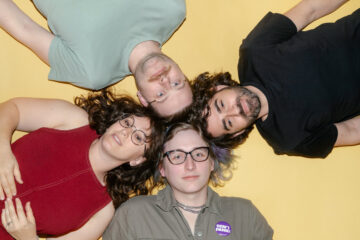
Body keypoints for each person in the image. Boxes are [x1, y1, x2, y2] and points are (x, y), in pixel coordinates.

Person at [190, 0, 360, 158]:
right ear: (237, 133)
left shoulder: (254, 50)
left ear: (218, 88)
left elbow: (311, 9)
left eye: (221, 105)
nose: (235, 111)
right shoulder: (288, 140)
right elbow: (351, 130)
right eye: (228, 123)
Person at [0, 90, 163, 239]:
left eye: (139, 138)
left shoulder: (103, 211)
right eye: (127, 123)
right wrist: (2, 150)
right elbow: (12, 109)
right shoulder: (74, 119)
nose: (126, 132)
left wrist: (28, 238)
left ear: (138, 160)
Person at [0, 0, 193, 117]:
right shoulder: (172, 9)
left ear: (142, 99)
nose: (165, 82)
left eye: (160, 95)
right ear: (182, 72)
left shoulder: (93, 73)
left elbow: (24, 29)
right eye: (177, 84)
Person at [102, 122, 274, 240]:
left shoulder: (245, 214)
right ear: (162, 168)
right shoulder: (133, 214)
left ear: (211, 162)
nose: (190, 165)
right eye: (177, 156)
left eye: (198, 154)